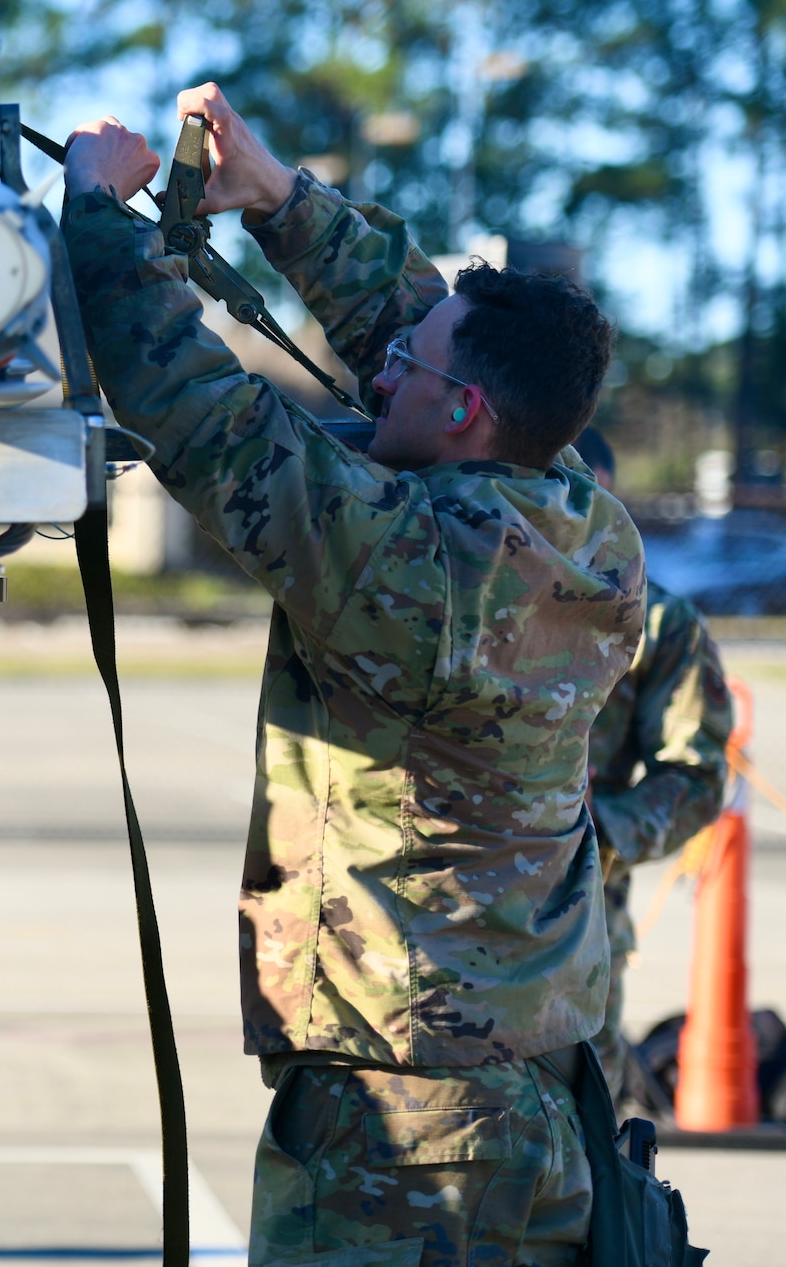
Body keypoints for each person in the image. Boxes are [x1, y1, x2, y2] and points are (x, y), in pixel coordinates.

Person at [63, 87, 643, 1267]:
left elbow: (202, 416)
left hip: (405, 1123)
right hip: (537, 1088)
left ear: (466, 413)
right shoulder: (584, 525)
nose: (380, 374)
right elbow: (434, 327)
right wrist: (273, 199)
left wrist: (94, 212)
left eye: (403, 372)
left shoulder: (410, 570)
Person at [573, 427, 734, 1102]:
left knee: (584, 1134)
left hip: (580, 919)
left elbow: (695, 776)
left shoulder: (657, 619)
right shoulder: (466, 586)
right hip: (440, 909)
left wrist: (593, 833)